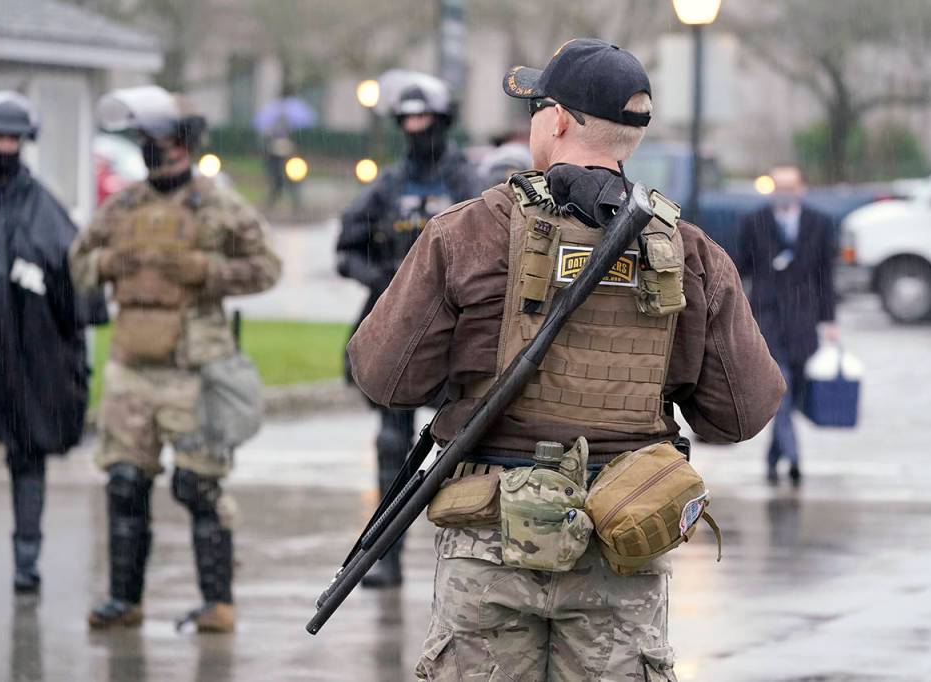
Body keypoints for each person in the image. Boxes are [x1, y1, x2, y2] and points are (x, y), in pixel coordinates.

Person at [348, 39, 785, 679]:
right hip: (620, 537)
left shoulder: (467, 232)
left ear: (556, 120)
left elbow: (385, 377)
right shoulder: (688, 252)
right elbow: (740, 413)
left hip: (490, 534)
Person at [69, 86, 281, 632]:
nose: (155, 151)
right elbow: (79, 261)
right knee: (124, 482)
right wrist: (114, 260)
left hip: (196, 368)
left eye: (162, 140)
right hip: (132, 365)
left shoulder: (219, 204)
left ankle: (218, 604)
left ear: (184, 146)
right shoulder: (124, 206)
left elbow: (267, 267)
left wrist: (209, 272)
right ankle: (124, 599)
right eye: (146, 141)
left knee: (198, 487)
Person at [335, 72, 481, 588]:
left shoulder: (469, 184)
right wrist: (379, 277)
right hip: (398, 327)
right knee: (392, 445)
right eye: (408, 121)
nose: (417, 130)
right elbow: (346, 248)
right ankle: (385, 558)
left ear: (444, 122)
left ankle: (466, 562)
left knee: (463, 449)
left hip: (458, 332)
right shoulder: (390, 185)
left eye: (426, 121)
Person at [0, 91, 89, 594]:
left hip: (21, 355)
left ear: (24, 143)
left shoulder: (42, 207)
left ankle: (27, 560)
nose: (2, 145)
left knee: (28, 456)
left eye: (11, 138)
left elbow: (73, 287)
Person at [736, 165, 838, 487]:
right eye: (778, 186)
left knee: (792, 392)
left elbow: (827, 275)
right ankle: (793, 457)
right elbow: (740, 269)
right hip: (767, 316)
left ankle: (773, 458)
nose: (784, 192)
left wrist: (829, 319)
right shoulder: (754, 222)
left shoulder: (819, 224)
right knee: (781, 387)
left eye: (790, 186)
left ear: (801, 188)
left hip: (804, 320)